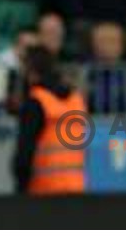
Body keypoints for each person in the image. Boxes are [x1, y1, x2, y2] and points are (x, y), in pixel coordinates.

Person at [13, 46, 86, 195]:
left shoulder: (36, 103)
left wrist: (20, 188)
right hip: (76, 188)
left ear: (31, 72)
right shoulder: (76, 100)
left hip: (44, 191)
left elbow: (24, 154)